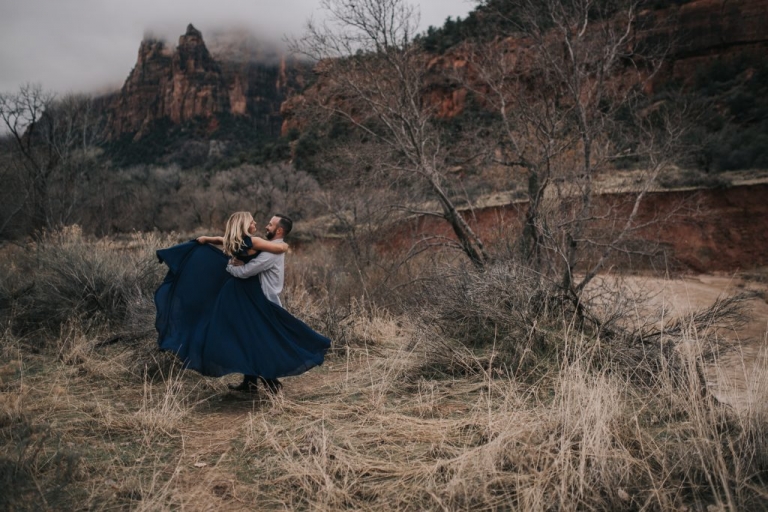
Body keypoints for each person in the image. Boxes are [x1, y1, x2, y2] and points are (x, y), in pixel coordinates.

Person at [154, 212, 331, 395]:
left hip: (259, 297)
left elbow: (245, 270)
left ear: (279, 230)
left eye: (269, 225)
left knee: (257, 337)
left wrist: (225, 259)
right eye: (255, 222)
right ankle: (252, 381)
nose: (263, 225)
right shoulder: (255, 243)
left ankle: (268, 380)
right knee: (249, 336)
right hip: (245, 295)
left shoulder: (264, 249)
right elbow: (249, 254)